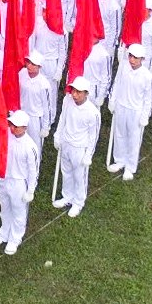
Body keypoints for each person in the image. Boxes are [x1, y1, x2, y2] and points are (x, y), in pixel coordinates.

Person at [0, 110, 42, 255]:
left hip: (19, 182)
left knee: (18, 211)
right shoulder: (6, 135)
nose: (12, 128)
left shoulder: (30, 146)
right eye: (12, 124)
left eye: (16, 126)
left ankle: (15, 238)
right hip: (4, 178)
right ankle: (4, 232)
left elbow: (34, 170)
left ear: (25, 128)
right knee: (5, 207)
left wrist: (31, 189)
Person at [51, 75, 101, 216]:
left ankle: (78, 202)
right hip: (66, 143)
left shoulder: (93, 112)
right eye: (73, 91)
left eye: (78, 92)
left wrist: (88, 155)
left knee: (79, 176)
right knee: (66, 172)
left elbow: (93, 136)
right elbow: (63, 119)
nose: (74, 94)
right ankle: (67, 196)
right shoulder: (68, 102)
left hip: (80, 148)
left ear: (86, 93)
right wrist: (57, 136)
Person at [105, 42, 152, 179]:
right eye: (131, 56)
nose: (132, 60)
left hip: (135, 110)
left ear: (142, 59)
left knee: (133, 138)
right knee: (119, 134)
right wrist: (112, 101)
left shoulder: (147, 77)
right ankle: (120, 160)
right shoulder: (123, 67)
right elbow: (116, 84)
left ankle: (130, 166)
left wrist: (145, 115)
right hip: (121, 106)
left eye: (136, 58)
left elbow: (148, 99)